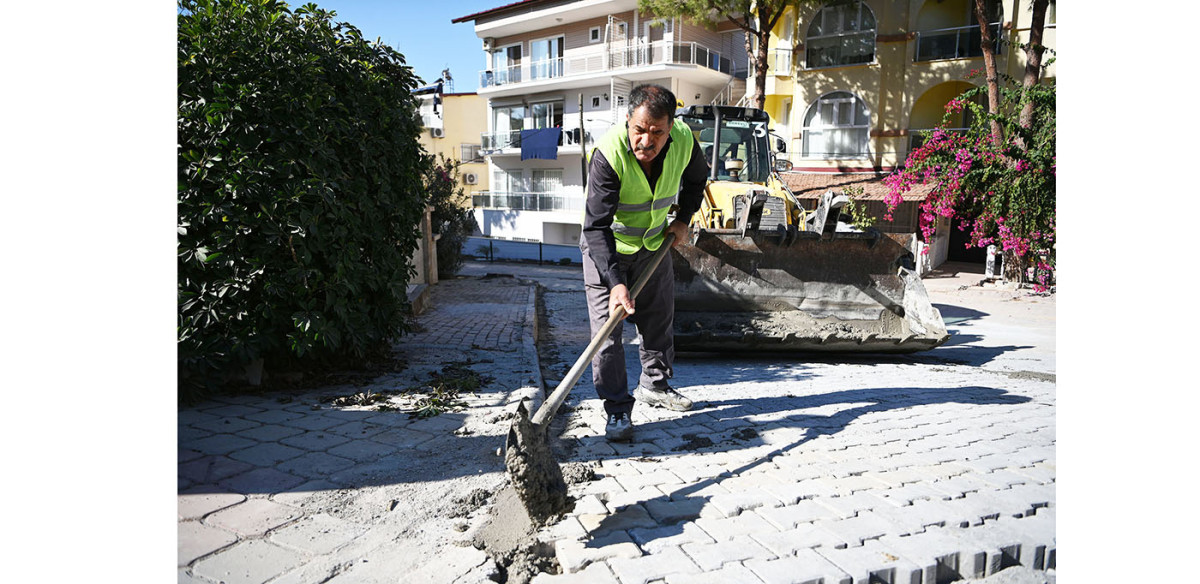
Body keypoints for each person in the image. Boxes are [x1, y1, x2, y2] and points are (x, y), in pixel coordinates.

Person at [580, 84, 710, 442]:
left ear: (670, 128)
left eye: (657, 132)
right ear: (628, 122)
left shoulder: (684, 140)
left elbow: (698, 178)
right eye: (639, 130)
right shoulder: (608, 154)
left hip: (653, 245)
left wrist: (684, 217)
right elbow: (596, 226)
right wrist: (615, 282)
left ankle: (655, 385)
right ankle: (618, 409)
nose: (646, 141)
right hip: (606, 250)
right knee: (608, 333)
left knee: (658, 319)